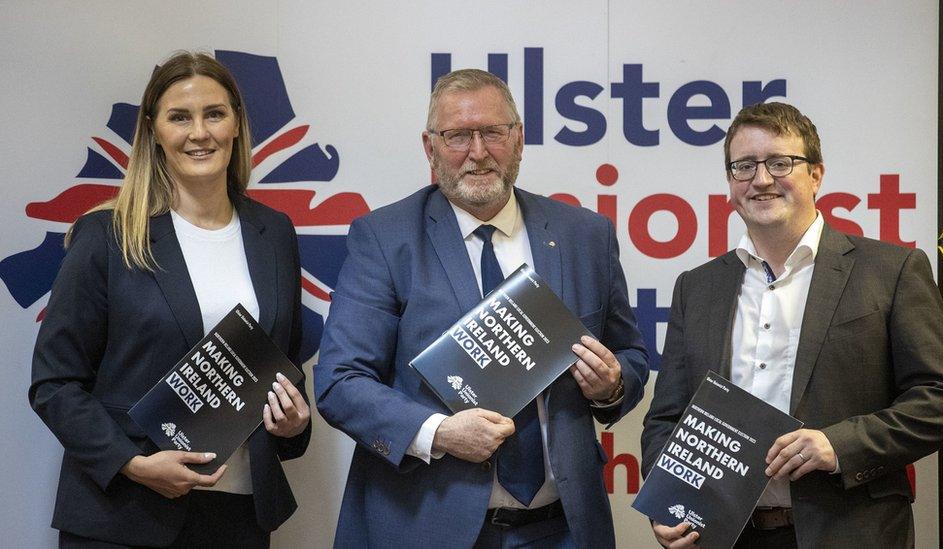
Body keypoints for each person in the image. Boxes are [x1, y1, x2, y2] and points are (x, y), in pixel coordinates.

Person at [315, 68, 649, 548]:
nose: (478, 152)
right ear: (430, 148)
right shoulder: (385, 239)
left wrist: (611, 385)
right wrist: (439, 433)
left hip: (566, 529)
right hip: (428, 526)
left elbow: (630, 355)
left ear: (518, 139)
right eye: (457, 136)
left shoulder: (585, 235)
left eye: (493, 132)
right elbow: (340, 382)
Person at [641, 102, 943, 548]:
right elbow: (666, 419)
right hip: (725, 536)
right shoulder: (697, 288)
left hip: (851, 532)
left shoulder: (891, 270)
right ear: (730, 184)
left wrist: (840, 445)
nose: (760, 180)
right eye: (744, 166)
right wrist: (667, 502)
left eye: (780, 163)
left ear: (816, 174)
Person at [29, 52, 311, 548]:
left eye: (214, 114)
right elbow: (55, 383)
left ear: (237, 125)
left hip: (238, 515)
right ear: (154, 131)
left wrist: (293, 421)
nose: (199, 133)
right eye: (179, 117)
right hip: (123, 517)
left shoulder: (275, 235)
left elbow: (280, 367)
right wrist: (132, 464)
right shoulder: (109, 235)